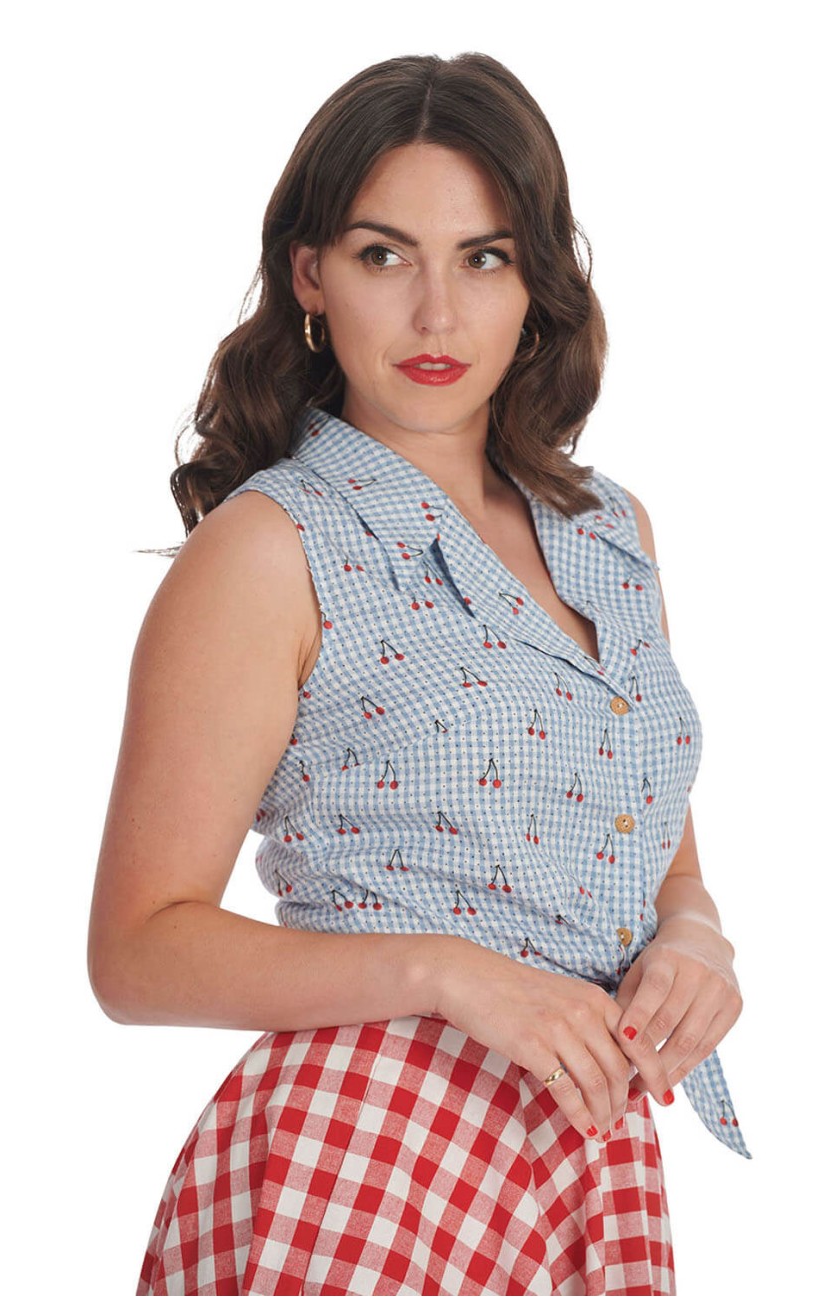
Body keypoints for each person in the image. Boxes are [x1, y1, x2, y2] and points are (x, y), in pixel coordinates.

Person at [88, 51, 750, 1298]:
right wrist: (442, 970)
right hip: (361, 1156)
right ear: (311, 275)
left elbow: (660, 856)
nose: (437, 315)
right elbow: (136, 952)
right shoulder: (270, 549)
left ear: (535, 277)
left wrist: (697, 944)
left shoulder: (610, 533)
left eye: (482, 257)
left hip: (582, 1160)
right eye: (385, 255)